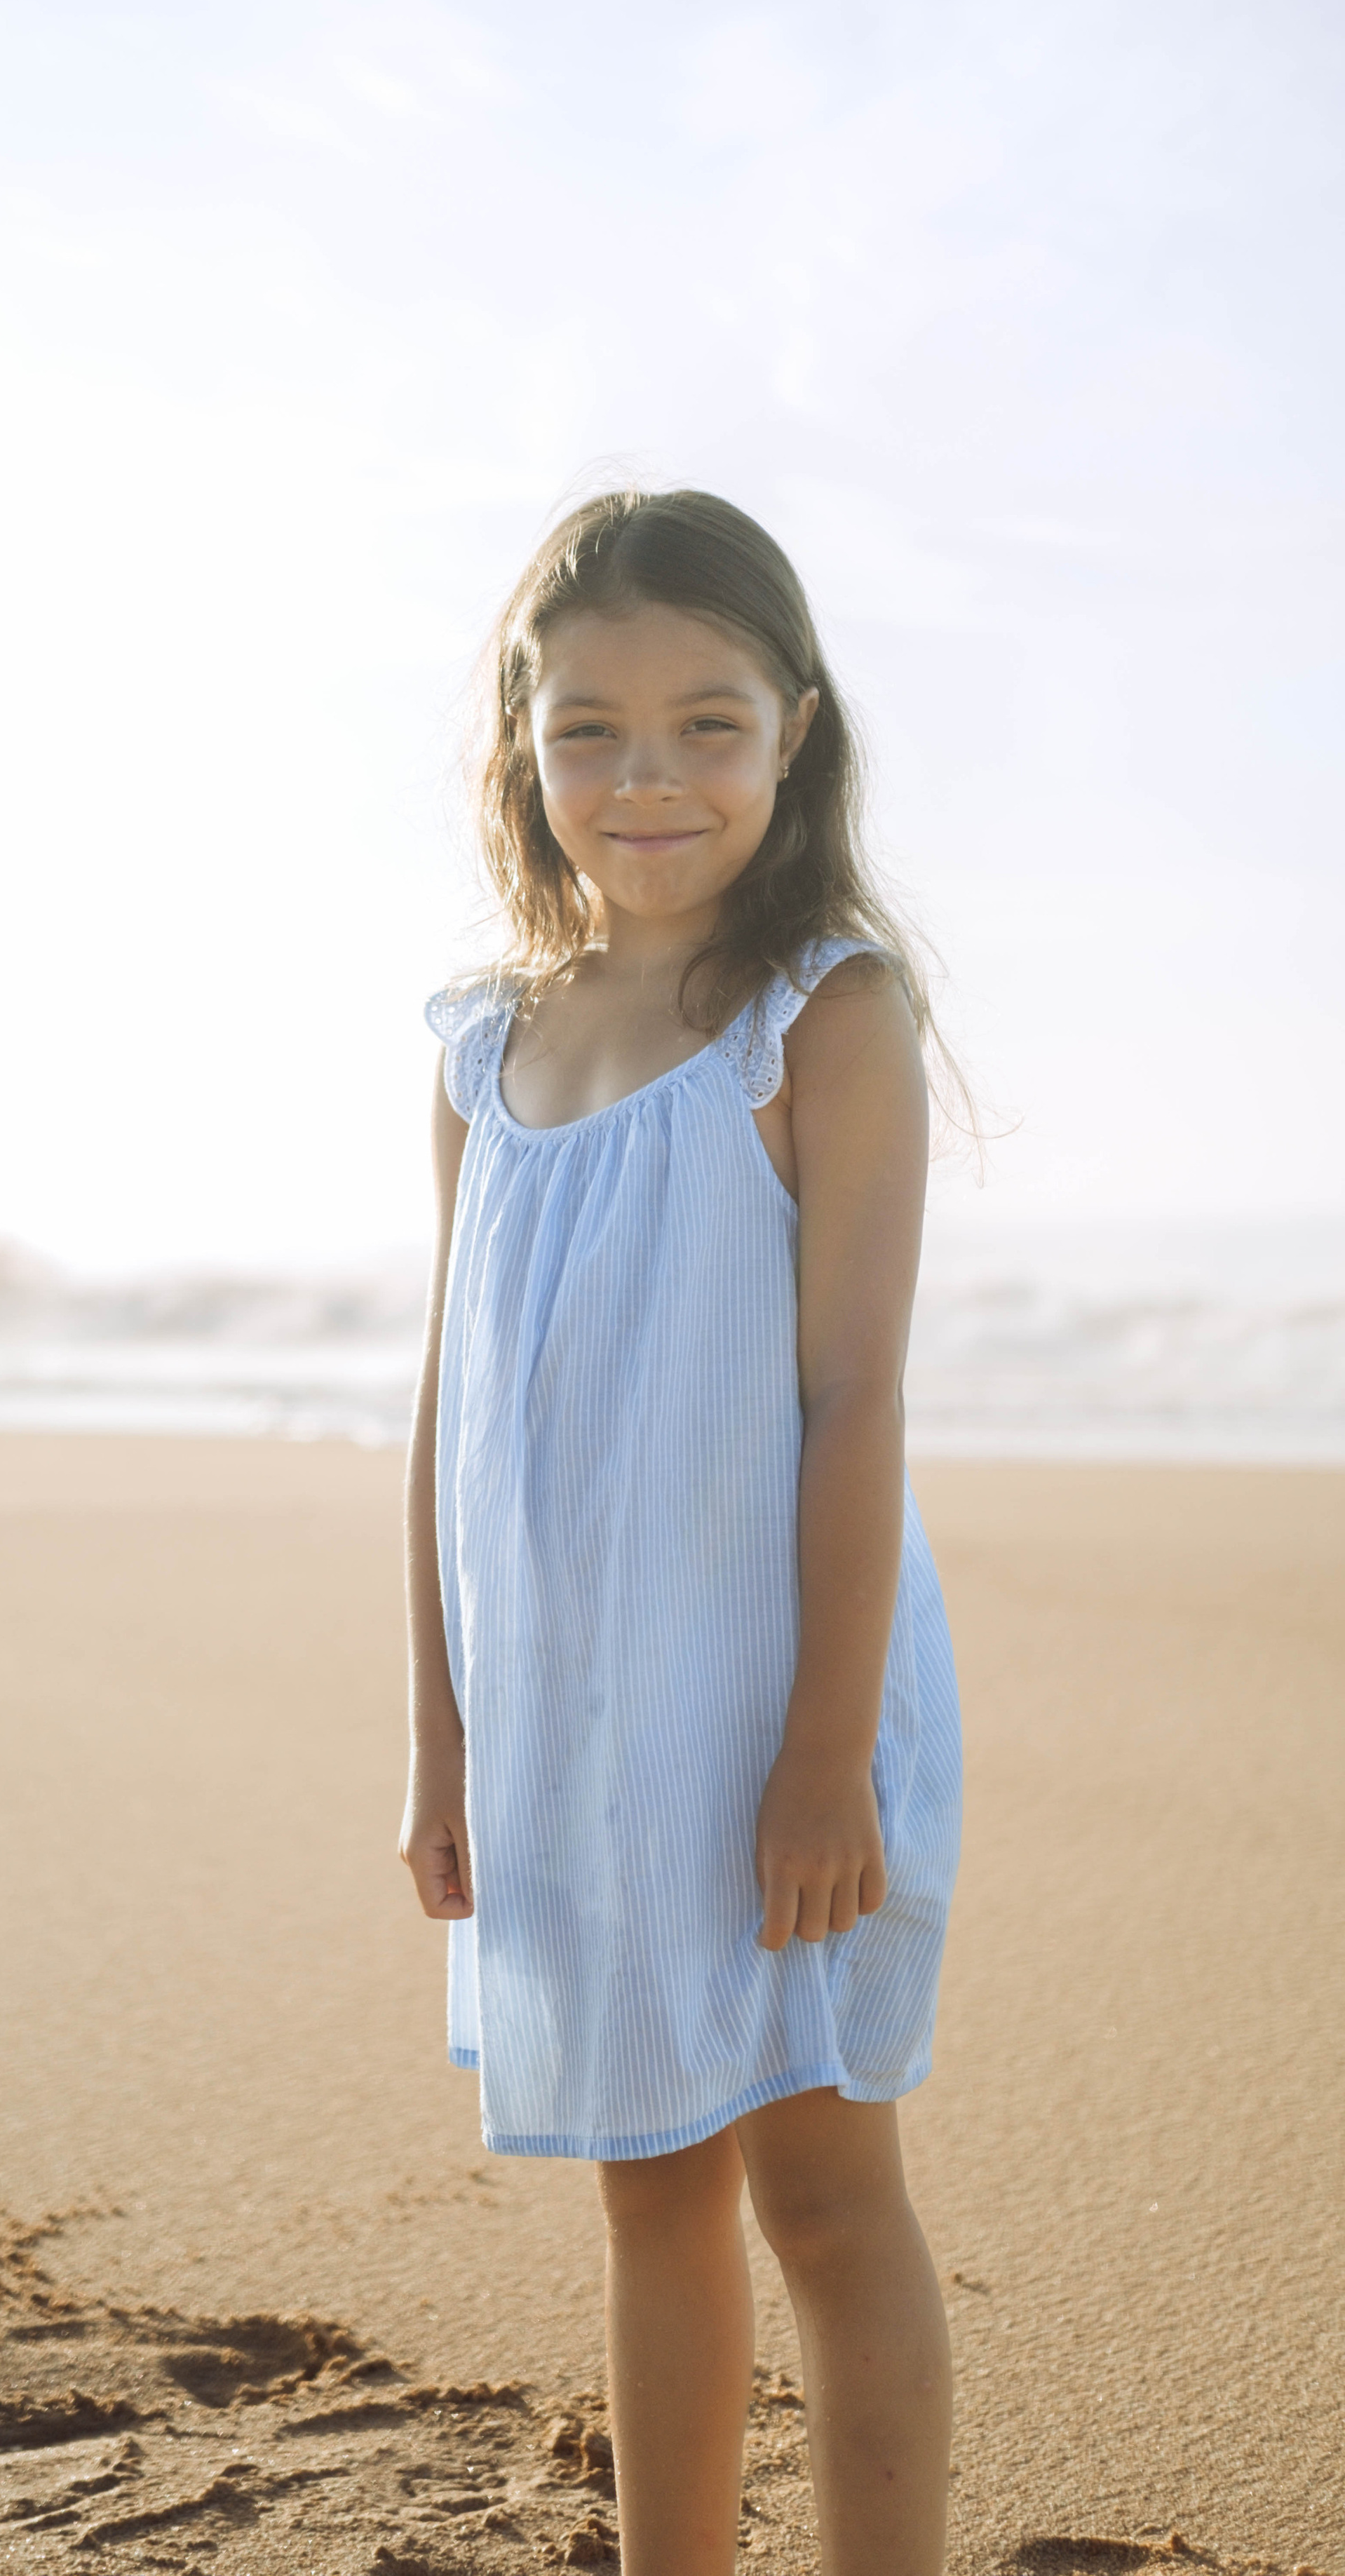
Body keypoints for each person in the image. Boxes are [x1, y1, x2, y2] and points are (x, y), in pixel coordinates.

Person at [400, 489, 963, 2576]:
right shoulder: (487, 1046)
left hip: (768, 1716)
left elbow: (854, 1396)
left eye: (707, 725)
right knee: (647, 2181)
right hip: (566, 1720)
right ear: (524, 750)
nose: (647, 781)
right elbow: (452, 1420)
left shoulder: (825, 1017)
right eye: (591, 731)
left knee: (825, 2193)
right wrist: (442, 1738)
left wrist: (824, 1752)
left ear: (795, 731)